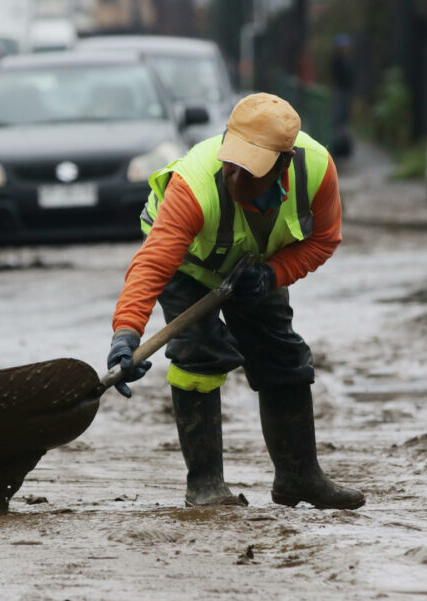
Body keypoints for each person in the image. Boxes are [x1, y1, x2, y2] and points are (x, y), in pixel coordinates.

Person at [107, 93, 365, 510]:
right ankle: (205, 486)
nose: (235, 179)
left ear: (284, 163)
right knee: (199, 352)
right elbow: (153, 264)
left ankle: (299, 478)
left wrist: (272, 275)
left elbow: (323, 240)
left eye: (251, 171)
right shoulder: (193, 185)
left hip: (256, 267)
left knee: (282, 354)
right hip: (187, 265)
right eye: (232, 164)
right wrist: (126, 333)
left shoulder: (317, 170)